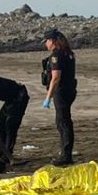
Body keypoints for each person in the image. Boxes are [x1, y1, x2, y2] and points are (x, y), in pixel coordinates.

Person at [43, 30, 77, 166]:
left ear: (52, 41)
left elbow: (56, 78)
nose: (46, 44)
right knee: (64, 121)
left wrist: (48, 97)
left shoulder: (56, 55)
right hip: (70, 89)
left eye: (47, 41)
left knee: (62, 122)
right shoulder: (68, 53)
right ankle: (65, 152)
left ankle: (66, 154)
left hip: (62, 91)